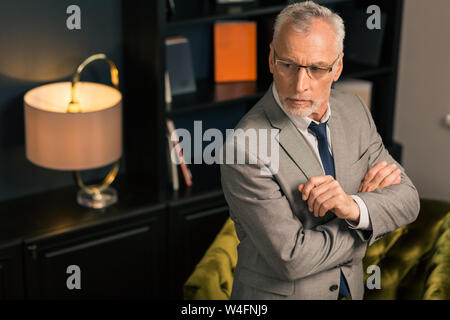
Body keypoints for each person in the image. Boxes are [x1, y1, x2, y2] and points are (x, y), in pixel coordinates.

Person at [220, 1, 420, 300]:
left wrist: (352, 207)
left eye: (316, 68)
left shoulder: (354, 109)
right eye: (289, 65)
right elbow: (292, 258)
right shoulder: (245, 146)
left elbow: (408, 200)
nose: (300, 85)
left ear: (337, 67)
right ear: (272, 59)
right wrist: (365, 221)